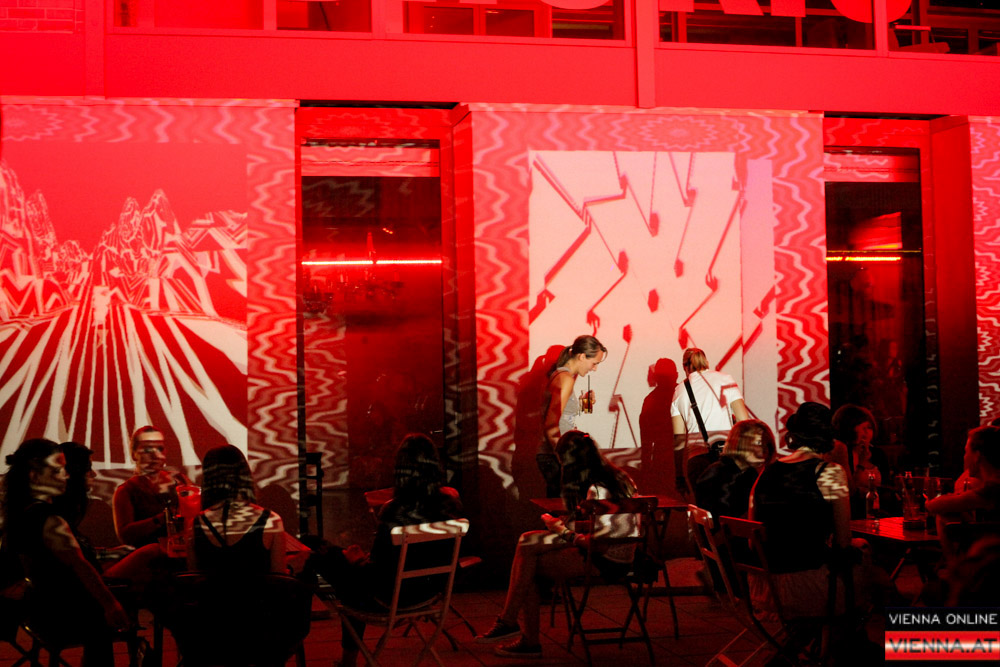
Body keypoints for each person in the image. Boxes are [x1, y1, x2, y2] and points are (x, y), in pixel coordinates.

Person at [476, 430, 637, 659]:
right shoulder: (621, 478)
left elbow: (599, 545)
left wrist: (562, 530)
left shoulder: (597, 490)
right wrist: (566, 526)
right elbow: (612, 529)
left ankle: (522, 634)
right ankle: (509, 623)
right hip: (625, 555)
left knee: (528, 567)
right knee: (527, 542)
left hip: (607, 561)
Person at [311, 433, 462, 667]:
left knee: (321, 556)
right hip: (428, 594)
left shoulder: (395, 511)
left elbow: (377, 573)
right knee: (334, 559)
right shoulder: (448, 508)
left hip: (387, 598)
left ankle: (346, 658)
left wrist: (357, 561)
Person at [1, 438, 129, 666]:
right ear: (35, 476)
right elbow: (80, 565)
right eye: (57, 470)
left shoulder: (21, 514)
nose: (66, 475)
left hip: (42, 612)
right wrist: (111, 605)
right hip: (66, 615)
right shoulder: (50, 521)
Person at [750, 402, 870, 623]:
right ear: (829, 436)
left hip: (764, 585)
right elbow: (843, 540)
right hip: (810, 584)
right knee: (868, 566)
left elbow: (753, 535)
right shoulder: (830, 473)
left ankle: (817, 640)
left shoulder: (766, 472)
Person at [187, 445, 285, 577]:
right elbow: (279, 580)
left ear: (208, 478)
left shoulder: (196, 524)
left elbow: (193, 579)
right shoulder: (272, 521)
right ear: (244, 474)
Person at [672, 348, 750, 495]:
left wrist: (679, 476)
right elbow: (743, 420)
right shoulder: (725, 379)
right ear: (706, 362)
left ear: (684, 366)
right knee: (731, 505)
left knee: (705, 507)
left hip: (697, 460)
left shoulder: (679, 391)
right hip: (726, 457)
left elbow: (679, 439)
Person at [538, 336, 607, 497]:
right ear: (582, 356)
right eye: (594, 363)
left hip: (552, 455)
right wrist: (567, 460)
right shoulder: (565, 379)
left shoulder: (560, 376)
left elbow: (558, 415)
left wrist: (580, 405)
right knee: (566, 507)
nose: (594, 369)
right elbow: (551, 426)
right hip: (555, 456)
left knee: (563, 507)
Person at [926, 425, 1000, 562]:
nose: (964, 457)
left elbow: (935, 506)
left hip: (993, 554)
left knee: (943, 516)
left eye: (966, 452)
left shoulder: (993, 488)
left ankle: (957, 569)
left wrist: (931, 502)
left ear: (977, 456)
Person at [112, 425, 192, 547]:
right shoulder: (126, 491)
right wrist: (161, 519)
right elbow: (125, 535)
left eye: (160, 449)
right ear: (134, 454)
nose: (155, 455)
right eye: (147, 450)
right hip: (150, 555)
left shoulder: (180, 480)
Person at [694, 419, 776, 522]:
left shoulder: (748, 473)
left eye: (767, 444)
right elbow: (726, 521)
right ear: (740, 442)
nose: (765, 449)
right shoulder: (719, 476)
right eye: (759, 442)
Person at [830, 404, 890, 517]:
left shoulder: (878, 454)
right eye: (861, 427)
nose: (866, 432)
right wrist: (861, 463)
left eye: (869, 427)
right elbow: (850, 491)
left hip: (878, 509)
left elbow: (886, 485)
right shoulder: (842, 451)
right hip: (853, 511)